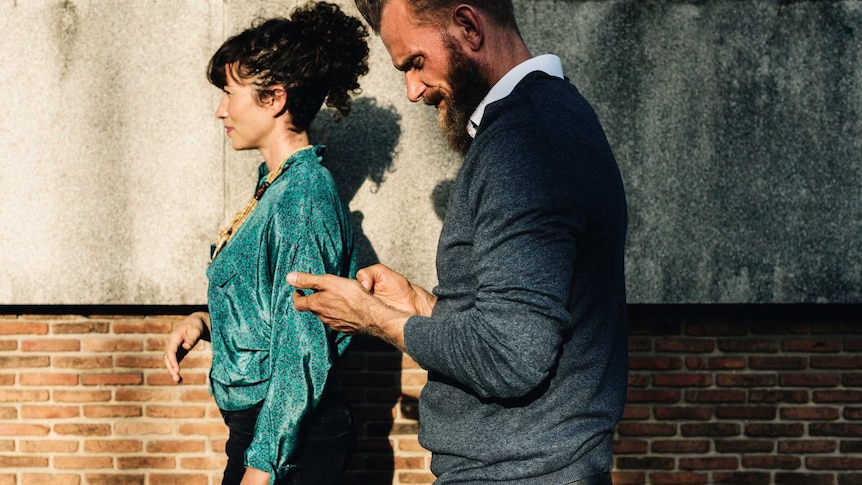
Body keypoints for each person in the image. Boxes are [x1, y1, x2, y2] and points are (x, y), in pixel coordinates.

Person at [287, 0, 628, 484]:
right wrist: (419, 305)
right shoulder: (547, 118)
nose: (411, 90)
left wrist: (376, 319)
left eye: (415, 63)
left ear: (468, 26)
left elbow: (512, 356)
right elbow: (518, 323)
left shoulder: (525, 141)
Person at [162, 3, 369, 484]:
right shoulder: (275, 187)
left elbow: (303, 344)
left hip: (288, 440)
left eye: (229, 94)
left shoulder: (301, 196)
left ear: (274, 98)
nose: (220, 110)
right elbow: (273, 314)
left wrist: (262, 466)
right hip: (267, 431)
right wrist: (203, 322)